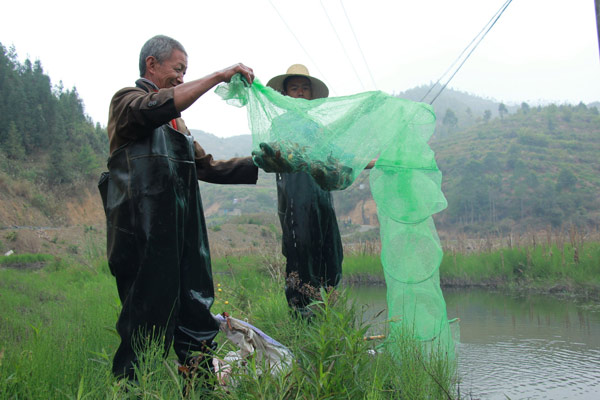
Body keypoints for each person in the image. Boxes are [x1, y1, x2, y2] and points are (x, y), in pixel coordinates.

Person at [98, 35, 257, 381]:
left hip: (185, 243)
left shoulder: (179, 128)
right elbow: (157, 107)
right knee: (144, 327)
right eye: (178, 69)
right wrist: (217, 76)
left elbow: (208, 167)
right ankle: (133, 391)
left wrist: (262, 162)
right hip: (143, 240)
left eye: (187, 72)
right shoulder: (127, 102)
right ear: (151, 65)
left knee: (197, 321)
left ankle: (200, 389)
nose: (182, 78)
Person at [266, 64, 374, 317]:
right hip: (295, 201)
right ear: (285, 94)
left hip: (322, 201)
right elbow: (277, 156)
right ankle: (301, 318)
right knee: (301, 253)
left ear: (312, 95)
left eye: (305, 88)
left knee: (331, 252)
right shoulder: (279, 124)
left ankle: (327, 313)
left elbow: (340, 158)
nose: (301, 93)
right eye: (295, 88)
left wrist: (375, 163)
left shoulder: (319, 128)